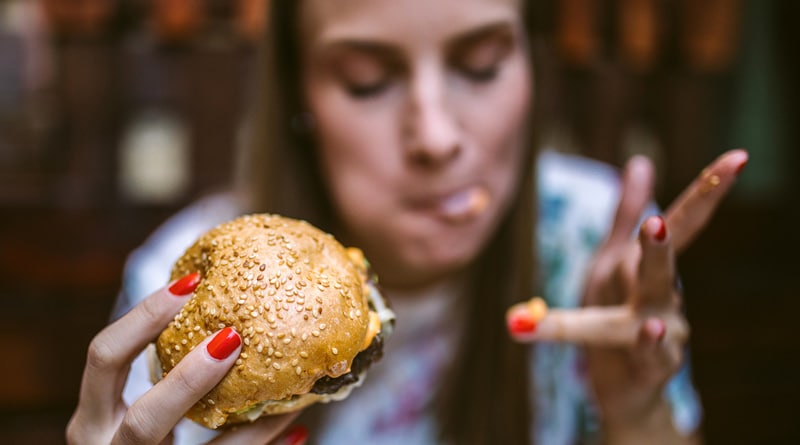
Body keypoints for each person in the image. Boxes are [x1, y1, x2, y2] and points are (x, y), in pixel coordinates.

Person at [67, 0, 749, 444]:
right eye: (368, 79)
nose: (436, 135)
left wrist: (636, 415)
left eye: (481, 67)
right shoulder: (180, 290)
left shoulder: (596, 240)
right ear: (300, 97)